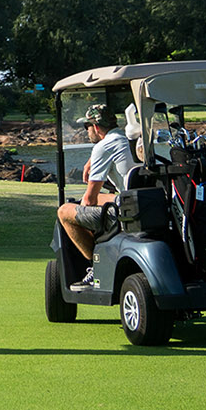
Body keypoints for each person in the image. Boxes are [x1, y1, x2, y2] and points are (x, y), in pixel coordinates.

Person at [55, 102, 138, 290]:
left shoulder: (104, 147)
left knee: (65, 211)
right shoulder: (128, 138)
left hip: (126, 211)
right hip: (138, 201)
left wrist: (80, 206)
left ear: (96, 127)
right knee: (102, 198)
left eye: (87, 127)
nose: (87, 131)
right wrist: (91, 161)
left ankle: (95, 265)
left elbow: (89, 200)